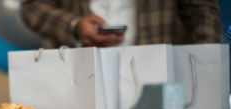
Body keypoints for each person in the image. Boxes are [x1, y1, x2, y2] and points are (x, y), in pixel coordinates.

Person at [22, 0, 222, 48]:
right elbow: (31, 7)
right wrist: (74, 25)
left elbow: (202, 8)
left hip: (155, 71)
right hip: (79, 71)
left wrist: (206, 59)